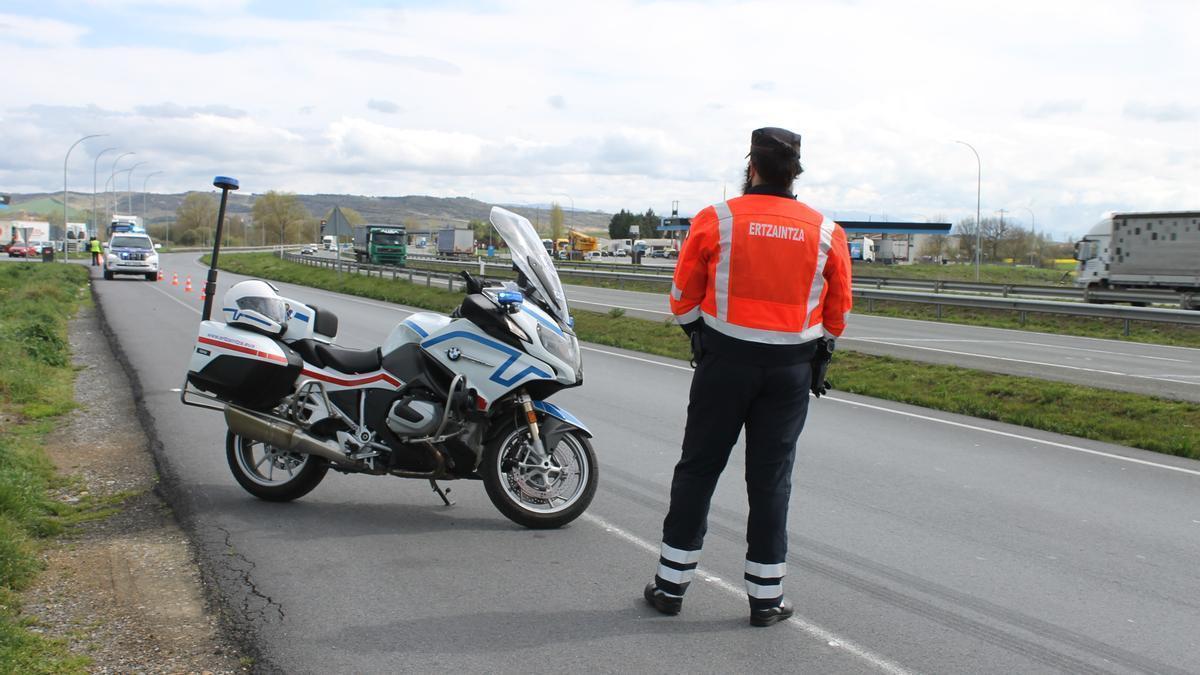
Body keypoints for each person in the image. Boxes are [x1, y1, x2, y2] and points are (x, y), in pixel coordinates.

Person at [643, 127, 853, 627]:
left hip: (724, 364)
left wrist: (700, 334)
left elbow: (681, 297)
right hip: (790, 371)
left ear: (751, 167)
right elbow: (838, 310)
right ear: (795, 171)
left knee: (698, 469)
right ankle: (766, 600)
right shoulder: (826, 230)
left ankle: (670, 588)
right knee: (771, 480)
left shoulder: (716, 219)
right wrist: (819, 350)